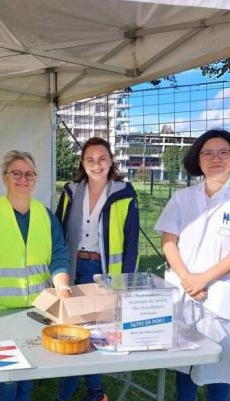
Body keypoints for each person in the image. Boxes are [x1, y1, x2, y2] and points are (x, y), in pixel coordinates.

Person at [154, 129, 230, 401]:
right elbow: (169, 241)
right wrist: (187, 279)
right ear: (199, 160)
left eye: (223, 152)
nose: (215, 158)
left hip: (220, 294)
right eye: (207, 153)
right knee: (185, 364)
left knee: (220, 363)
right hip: (185, 290)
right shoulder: (182, 198)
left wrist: (203, 279)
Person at [0, 150, 71, 401]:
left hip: (38, 309)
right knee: (8, 377)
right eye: (16, 173)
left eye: (29, 174)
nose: (23, 179)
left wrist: (63, 290)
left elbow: (59, 256)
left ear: (35, 179)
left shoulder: (46, 216)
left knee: (28, 370)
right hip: (0, 311)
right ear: (5, 178)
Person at [55, 137, 140, 401]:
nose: (97, 164)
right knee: (75, 331)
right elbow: (58, 232)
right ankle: (96, 392)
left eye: (102, 158)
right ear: (83, 163)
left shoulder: (124, 194)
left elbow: (131, 243)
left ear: (111, 160)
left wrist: (125, 284)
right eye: (90, 159)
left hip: (104, 271)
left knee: (93, 333)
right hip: (73, 265)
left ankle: (69, 396)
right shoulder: (70, 191)